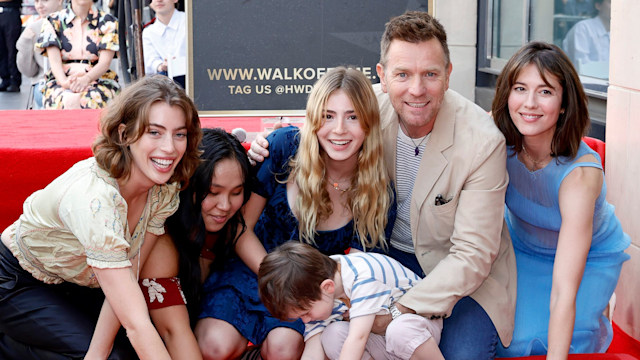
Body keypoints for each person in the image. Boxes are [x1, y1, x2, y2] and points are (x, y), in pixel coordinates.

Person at [249, 11, 517, 359]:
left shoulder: (482, 142)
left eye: (430, 74)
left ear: (448, 75)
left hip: (458, 274)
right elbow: (321, 125)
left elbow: (473, 255)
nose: (416, 90)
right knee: (340, 338)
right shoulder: (365, 109)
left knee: (455, 354)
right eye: (402, 74)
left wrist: (397, 311)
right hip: (382, 259)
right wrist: (266, 143)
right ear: (383, 76)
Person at [198, 66, 395, 360]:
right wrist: (278, 277)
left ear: (369, 123)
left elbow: (353, 274)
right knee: (215, 345)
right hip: (252, 268)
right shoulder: (284, 146)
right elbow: (241, 228)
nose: (339, 129)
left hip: (307, 294)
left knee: (283, 349)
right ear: (314, 119)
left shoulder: (378, 192)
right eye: (328, 116)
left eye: (352, 117)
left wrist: (300, 293)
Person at [0, 75, 203, 359]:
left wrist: (97, 354)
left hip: (81, 284)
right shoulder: (95, 200)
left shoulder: (162, 191)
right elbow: (136, 324)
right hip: (18, 280)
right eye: (154, 132)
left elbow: (127, 282)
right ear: (124, 135)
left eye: (179, 134)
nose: (170, 148)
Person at [492, 41, 630, 357]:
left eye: (545, 92)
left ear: (564, 103)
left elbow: (564, 290)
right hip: (522, 247)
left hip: (587, 259)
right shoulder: (496, 137)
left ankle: (596, 320)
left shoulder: (580, 177)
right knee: (503, 339)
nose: (529, 103)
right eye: (519, 88)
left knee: (550, 343)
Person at [137, 127, 253, 360]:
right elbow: (172, 332)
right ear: (187, 185)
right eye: (213, 192)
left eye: (236, 192)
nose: (225, 205)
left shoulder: (239, 228)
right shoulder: (161, 241)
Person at [259, 241, 443, 360]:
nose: (306, 320)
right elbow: (313, 346)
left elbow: (358, 338)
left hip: (418, 330)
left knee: (400, 331)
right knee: (332, 334)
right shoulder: (317, 284)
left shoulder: (363, 277)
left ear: (327, 287)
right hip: (382, 339)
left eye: (306, 313)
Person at [36, 0, 120, 109]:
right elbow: (54, 61)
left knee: (90, 99)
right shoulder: (53, 20)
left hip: (99, 79)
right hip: (61, 80)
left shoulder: (108, 21)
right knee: (60, 99)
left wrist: (86, 79)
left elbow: (104, 63)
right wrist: (65, 82)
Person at [15, 0, 64, 108]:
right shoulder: (33, 29)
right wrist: (26, 43)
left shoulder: (73, 23)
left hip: (74, 80)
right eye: (36, 1)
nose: (40, 5)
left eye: (45, 0)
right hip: (44, 82)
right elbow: (29, 72)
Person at [143, 0, 186, 88]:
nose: (159, 0)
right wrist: (162, 66)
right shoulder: (148, 32)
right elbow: (151, 62)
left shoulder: (189, 21)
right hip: (164, 82)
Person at [562, 0, 610, 76]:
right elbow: (581, 67)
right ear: (598, 5)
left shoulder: (620, 34)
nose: (615, 7)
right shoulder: (583, 29)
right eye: (610, 2)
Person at [0, 0, 22, 92]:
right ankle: (5, 79)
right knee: (1, 49)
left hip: (11, 11)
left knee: (12, 48)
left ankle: (14, 80)